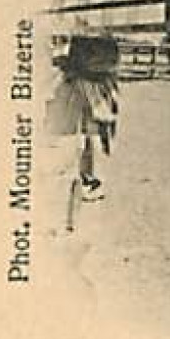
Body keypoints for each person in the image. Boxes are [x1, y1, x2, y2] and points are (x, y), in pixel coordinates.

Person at [48, 34, 121, 231]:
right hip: (79, 93)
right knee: (78, 150)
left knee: (88, 144)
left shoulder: (96, 84)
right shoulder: (75, 83)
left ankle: (85, 187)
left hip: (86, 86)